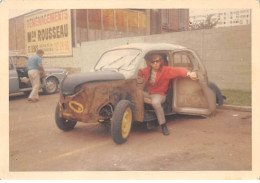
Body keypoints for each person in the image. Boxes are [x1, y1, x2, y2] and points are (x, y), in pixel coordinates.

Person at [138, 53, 197, 136]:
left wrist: (189, 74)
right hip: (149, 93)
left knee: (155, 103)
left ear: (160, 62)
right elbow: (139, 73)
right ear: (150, 63)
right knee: (135, 93)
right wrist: (139, 71)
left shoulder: (166, 70)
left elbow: (179, 70)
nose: (155, 63)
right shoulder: (147, 70)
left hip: (160, 95)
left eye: (157, 61)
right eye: (153, 62)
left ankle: (163, 125)